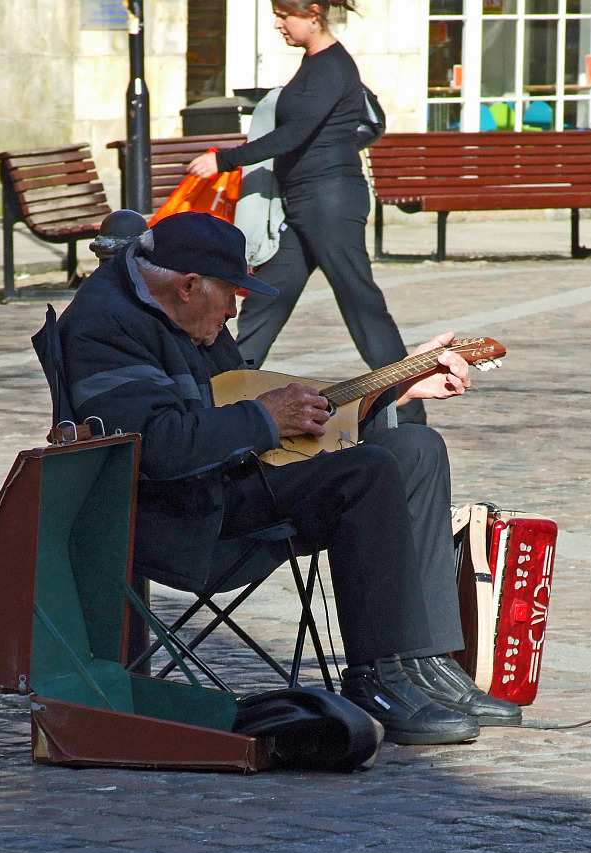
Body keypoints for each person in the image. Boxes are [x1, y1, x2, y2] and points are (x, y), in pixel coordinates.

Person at [57, 212, 521, 744]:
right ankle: (377, 678)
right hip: (183, 514)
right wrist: (264, 419)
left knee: (415, 447)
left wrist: (394, 389)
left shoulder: (183, 314)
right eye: (230, 295)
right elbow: (155, 447)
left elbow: (240, 400)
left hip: (230, 480)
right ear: (189, 286)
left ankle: (423, 661)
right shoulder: (108, 324)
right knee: (365, 473)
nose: (234, 311)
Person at [186, 0, 428, 425]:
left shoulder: (334, 67)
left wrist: (224, 160)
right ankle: (219, 395)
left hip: (331, 203)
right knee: (266, 303)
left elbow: (293, 135)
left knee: (361, 303)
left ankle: (408, 411)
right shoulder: (312, 63)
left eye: (285, 16)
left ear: (313, 14)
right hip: (303, 205)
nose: (278, 24)